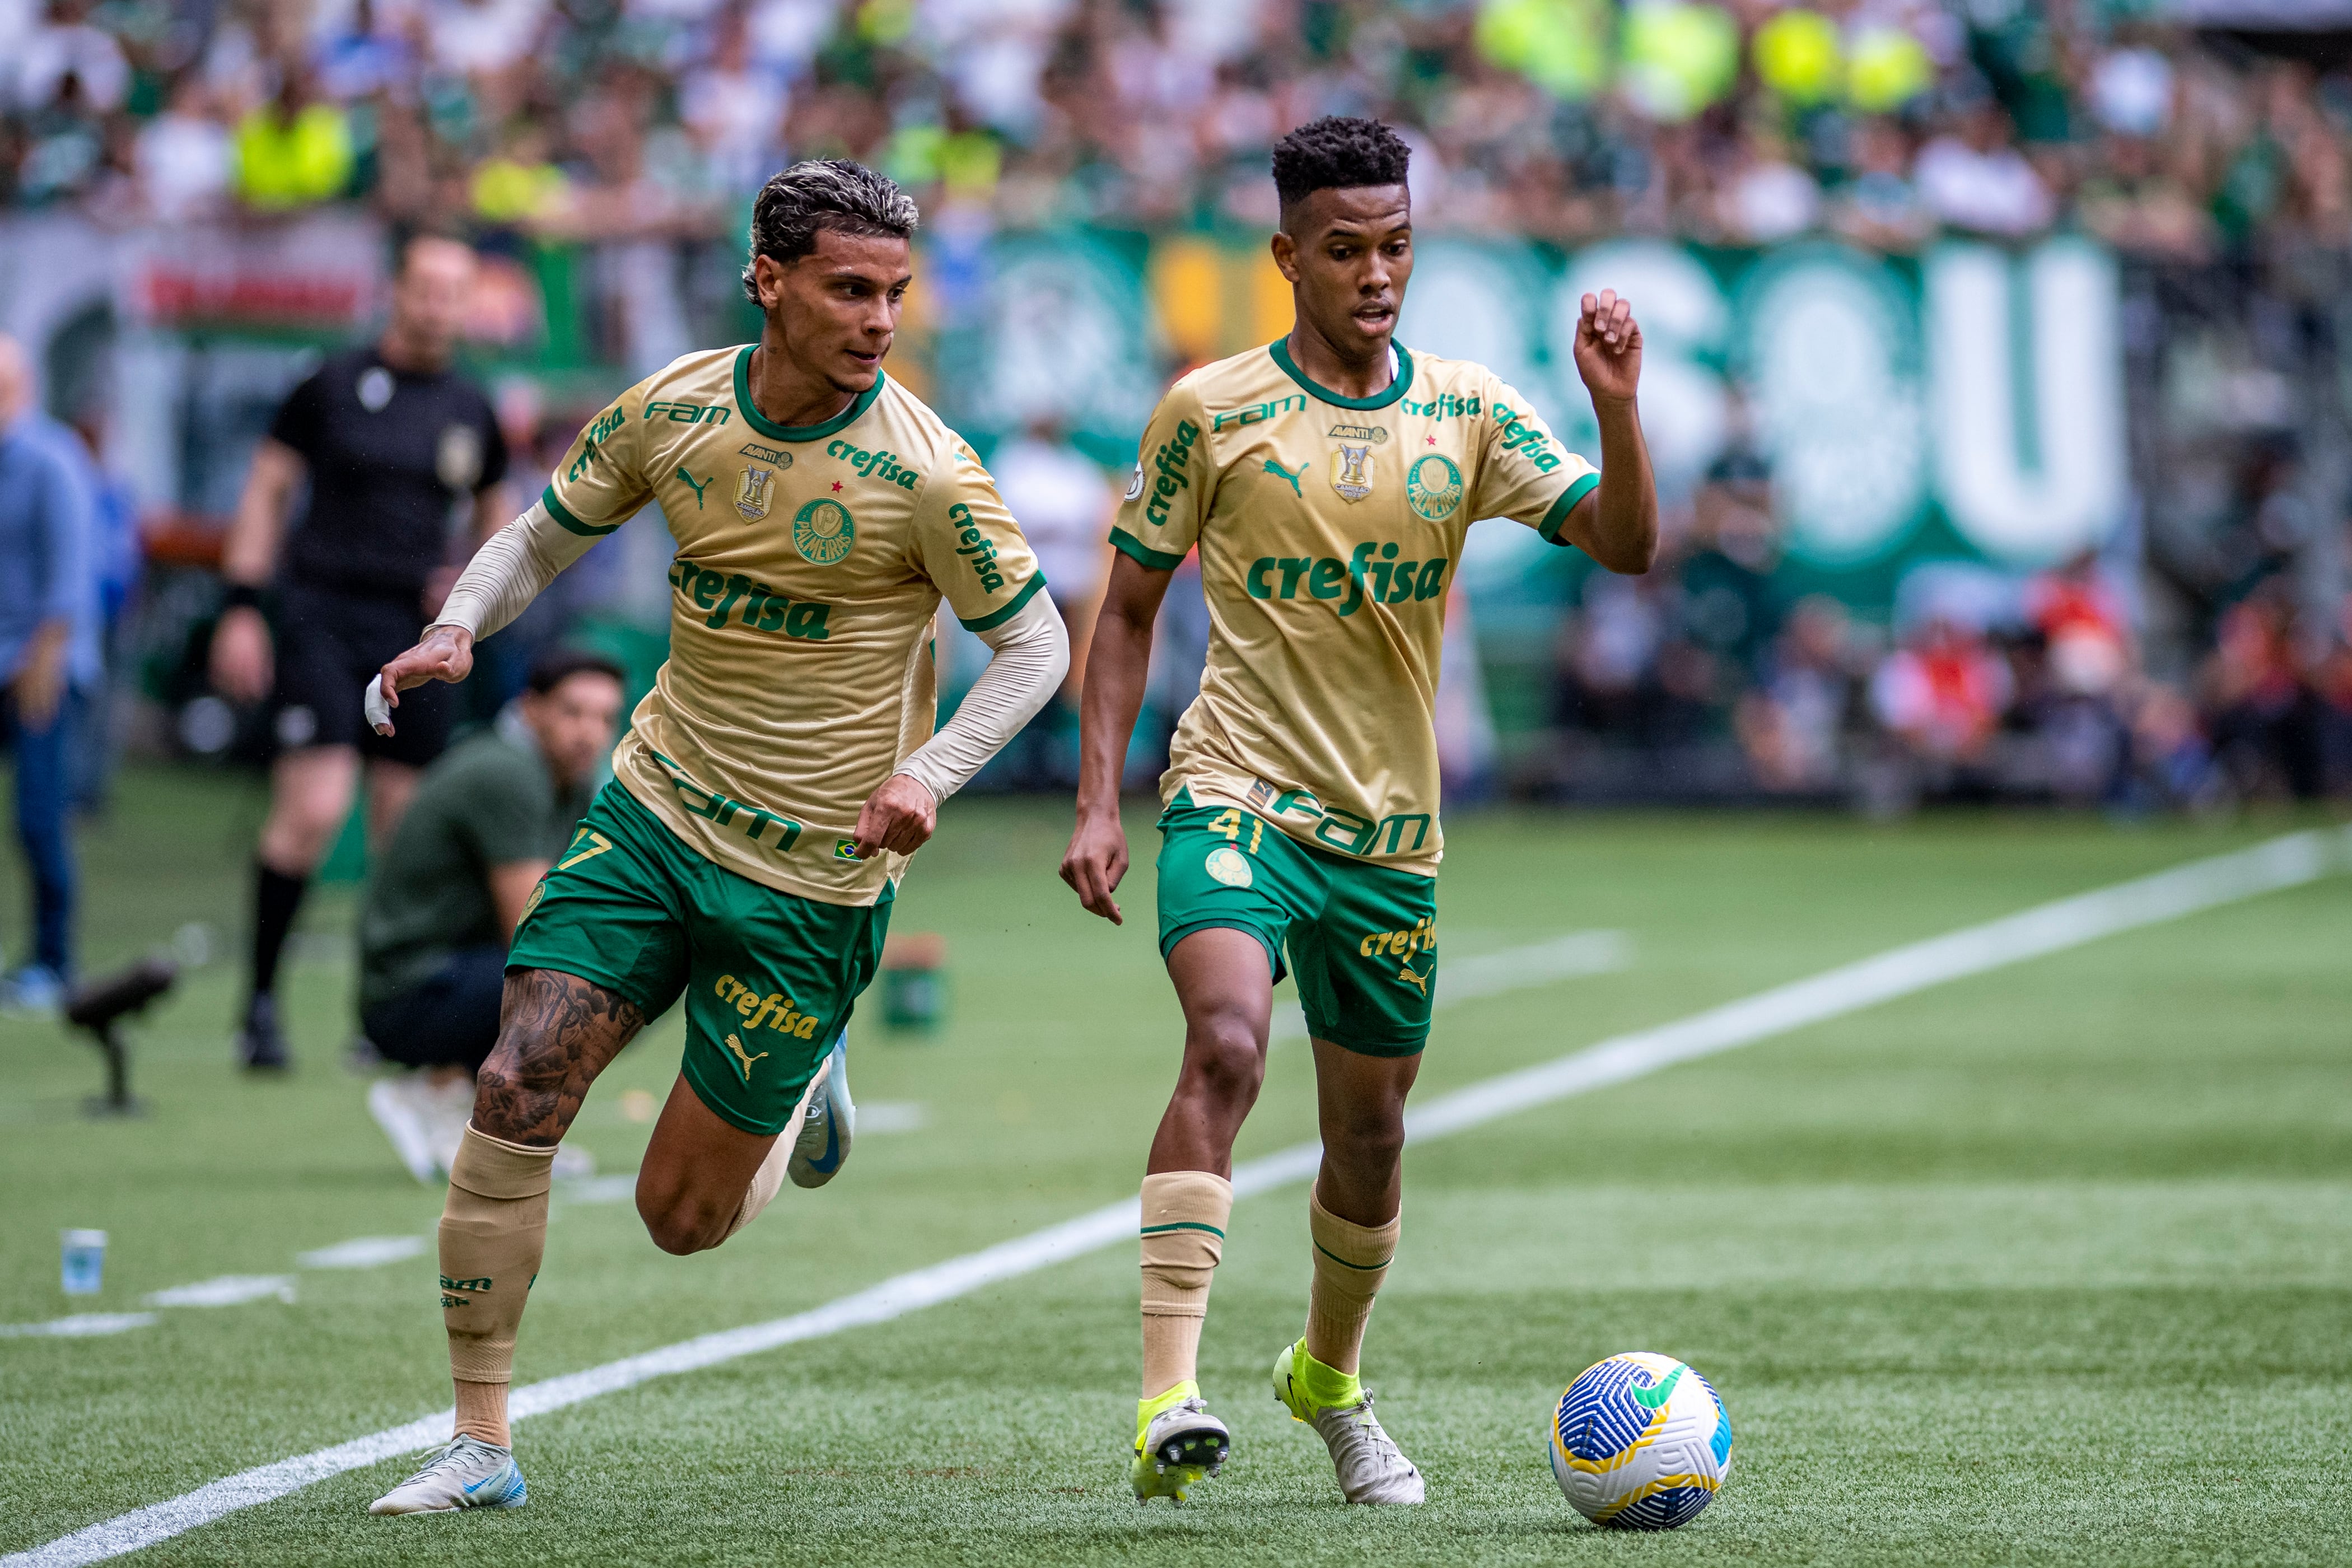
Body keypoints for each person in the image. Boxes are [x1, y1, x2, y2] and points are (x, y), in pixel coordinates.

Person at [361, 158, 1069, 1515]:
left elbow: (1034, 644)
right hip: (654, 815)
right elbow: (539, 535)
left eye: (895, 294)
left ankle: (806, 1090)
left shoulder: (927, 472)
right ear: (770, 279)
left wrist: (935, 767)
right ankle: (479, 1444)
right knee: (515, 1089)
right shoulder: (675, 409)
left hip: (812, 881)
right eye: (849, 289)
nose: (878, 320)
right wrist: (460, 622)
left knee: (678, 1221)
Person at [1058, 116, 1658, 1507]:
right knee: (1224, 1042)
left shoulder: (1468, 410)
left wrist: (1617, 407)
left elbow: (1627, 544)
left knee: (1371, 1141)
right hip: (1233, 795)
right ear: (1287, 258)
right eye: (1345, 251)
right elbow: (1130, 609)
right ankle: (1167, 1400)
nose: (1377, 273)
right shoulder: (1211, 410)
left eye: (1396, 246)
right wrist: (1100, 801)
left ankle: (1329, 1382)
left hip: (1390, 842)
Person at [211, 234, 512, 1071]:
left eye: (455, 291)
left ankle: (381, 1019)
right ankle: (260, 1006)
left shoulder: (469, 406)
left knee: (404, 834)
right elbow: (267, 491)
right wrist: (242, 607)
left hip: (415, 635)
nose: (437, 304)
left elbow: (503, 512)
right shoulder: (329, 385)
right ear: (397, 291)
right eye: (424, 287)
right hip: (321, 615)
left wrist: (469, 587)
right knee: (311, 808)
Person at [358, 649, 626, 1183]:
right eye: (574, 712)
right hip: (412, 994)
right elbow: (534, 926)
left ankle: (478, 1114)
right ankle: (463, 1106)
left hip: (459, 973)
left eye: (605, 719)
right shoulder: (506, 772)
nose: (590, 734)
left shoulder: (561, 774)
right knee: (591, 978)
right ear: (530, 708)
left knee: (620, 970)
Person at [0, 335, 101, 1010]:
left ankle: (54, 960)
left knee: (39, 817)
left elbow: (68, 579)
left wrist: (44, 664)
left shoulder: (51, 458)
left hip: (41, 667)